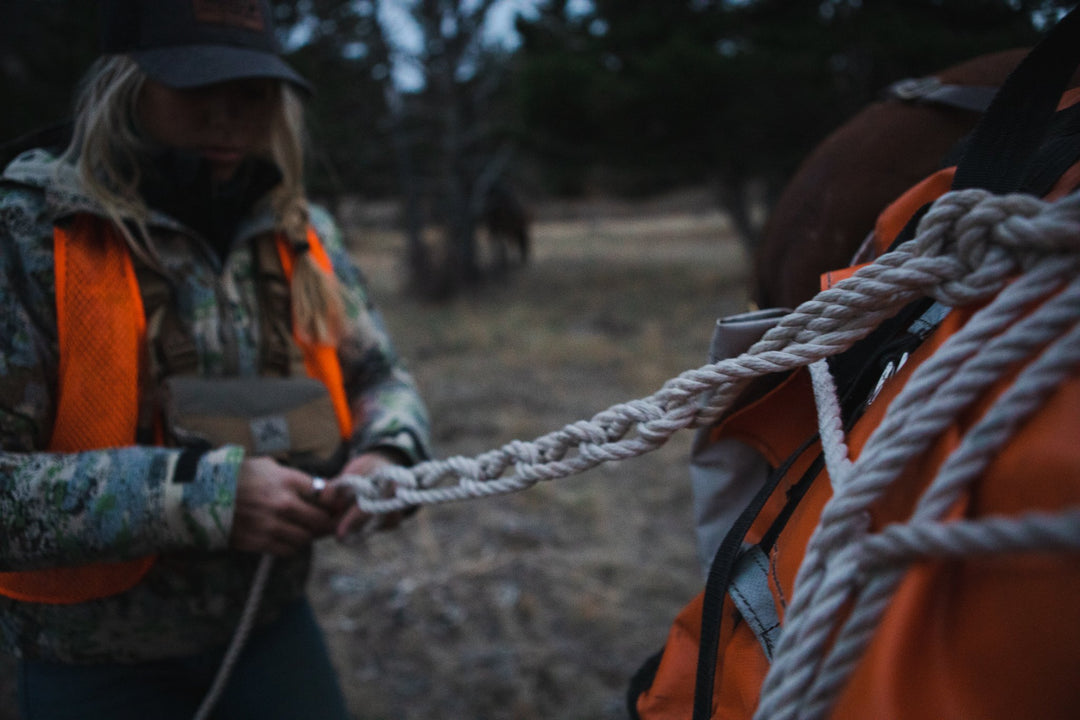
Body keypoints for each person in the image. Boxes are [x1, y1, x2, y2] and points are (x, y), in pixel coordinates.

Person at [0, 1, 431, 718]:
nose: (228, 115)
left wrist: (388, 451)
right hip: (95, 661)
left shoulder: (299, 229)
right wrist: (203, 498)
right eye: (198, 86)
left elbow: (381, 377)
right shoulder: (31, 231)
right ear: (124, 83)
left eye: (253, 91)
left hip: (270, 628)